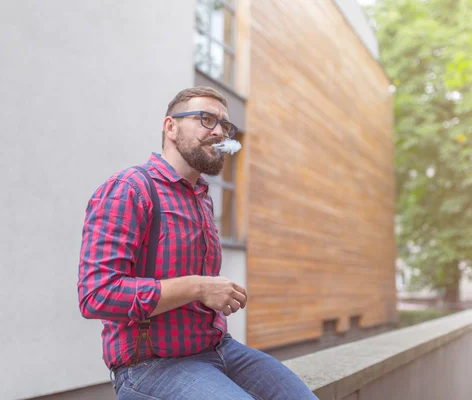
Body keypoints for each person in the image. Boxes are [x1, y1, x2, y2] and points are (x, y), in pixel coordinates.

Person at [77, 87, 318, 399]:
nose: (218, 132)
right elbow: (97, 295)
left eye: (225, 126)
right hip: (151, 366)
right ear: (171, 127)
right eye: (206, 119)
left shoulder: (201, 197)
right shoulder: (129, 189)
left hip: (219, 351)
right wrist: (200, 287)